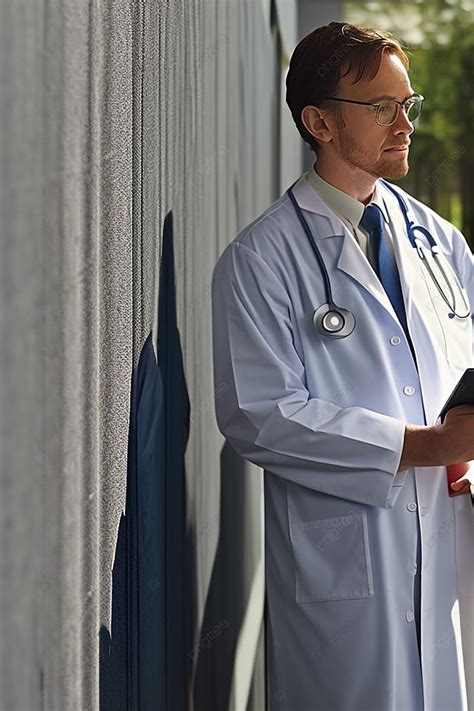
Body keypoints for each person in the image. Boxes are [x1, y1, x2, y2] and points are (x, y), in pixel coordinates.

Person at [211, 21, 474, 711]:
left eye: (407, 105)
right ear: (320, 120)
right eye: (381, 107)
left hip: (450, 549)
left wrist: (461, 456)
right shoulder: (260, 261)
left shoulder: (439, 243)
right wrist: (425, 446)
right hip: (349, 575)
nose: (404, 124)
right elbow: (259, 417)